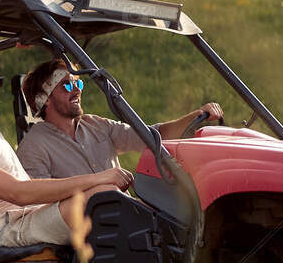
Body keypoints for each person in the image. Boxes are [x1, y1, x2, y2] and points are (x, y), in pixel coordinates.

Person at [0, 49, 131, 249]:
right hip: (13, 229)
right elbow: (17, 193)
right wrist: (98, 178)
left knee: (108, 196)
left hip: (30, 215)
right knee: (103, 195)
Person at [16, 58, 224, 179]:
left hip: (124, 219)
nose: (77, 91)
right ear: (45, 100)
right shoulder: (33, 146)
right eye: (67, 85)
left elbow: (152, 136)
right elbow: (40, 201)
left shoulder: (96, 125)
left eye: (78, 84)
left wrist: (196, 116)